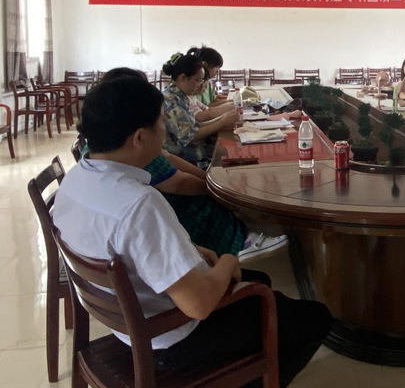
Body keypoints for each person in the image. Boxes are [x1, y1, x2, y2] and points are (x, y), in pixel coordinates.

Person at [53, 77, 332, 384]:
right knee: (315, 318)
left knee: (259, 280)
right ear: (139, 137)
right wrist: (228, 261)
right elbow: (198, 305)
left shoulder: (76, 179)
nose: (165, 132)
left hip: (126, 323)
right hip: (172, 339)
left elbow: (126, 246)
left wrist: (191, 252)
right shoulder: (138, 203)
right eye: (161, 123)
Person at [95, 67, 286, 261]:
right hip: (171, 202)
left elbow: (169, 157)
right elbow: (179, 182)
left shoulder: (106, 141)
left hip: (167, 188)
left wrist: (209, 179)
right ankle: (238, 244)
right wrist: (218, 190)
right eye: (161, 122)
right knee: (208, 205)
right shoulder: (134, 150)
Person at [162, 53, 238, 168]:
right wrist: (222, 122)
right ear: (183, 78)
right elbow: (189, 136)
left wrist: (223, 118)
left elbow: (195, 125)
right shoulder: (171, 100)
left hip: (197, 151)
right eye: (197, 80)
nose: (200, 85)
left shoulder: (181, 96)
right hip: (187, 160)